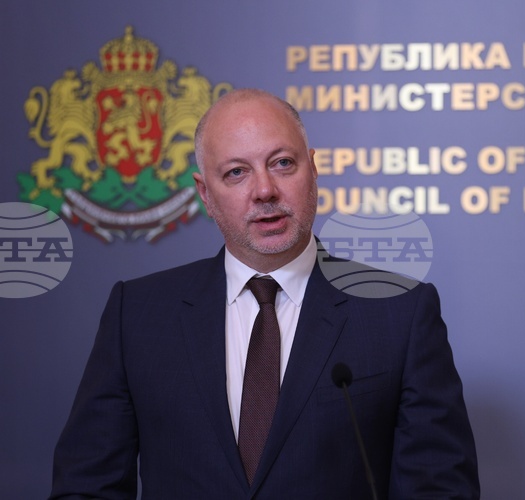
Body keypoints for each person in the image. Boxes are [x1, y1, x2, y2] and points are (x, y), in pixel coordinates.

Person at [50, 89, 480, 499]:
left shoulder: (398, 313)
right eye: (236, 172)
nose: (264, 190)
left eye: (282, 163)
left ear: (313, 170)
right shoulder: (137, 315)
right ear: (205, 193)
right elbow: (87, 486)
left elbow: (439, 488)